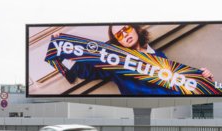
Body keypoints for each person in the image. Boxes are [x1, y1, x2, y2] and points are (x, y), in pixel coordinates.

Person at [60, 24, 214, 95]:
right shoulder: (114, 62)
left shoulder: (160, 56)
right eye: (119, 34)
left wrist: (202, 77)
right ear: (117, 41)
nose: (125, 35)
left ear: (135, 29)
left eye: (126, 29)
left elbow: (179, 84)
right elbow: (82, 70)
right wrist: (63, 47)